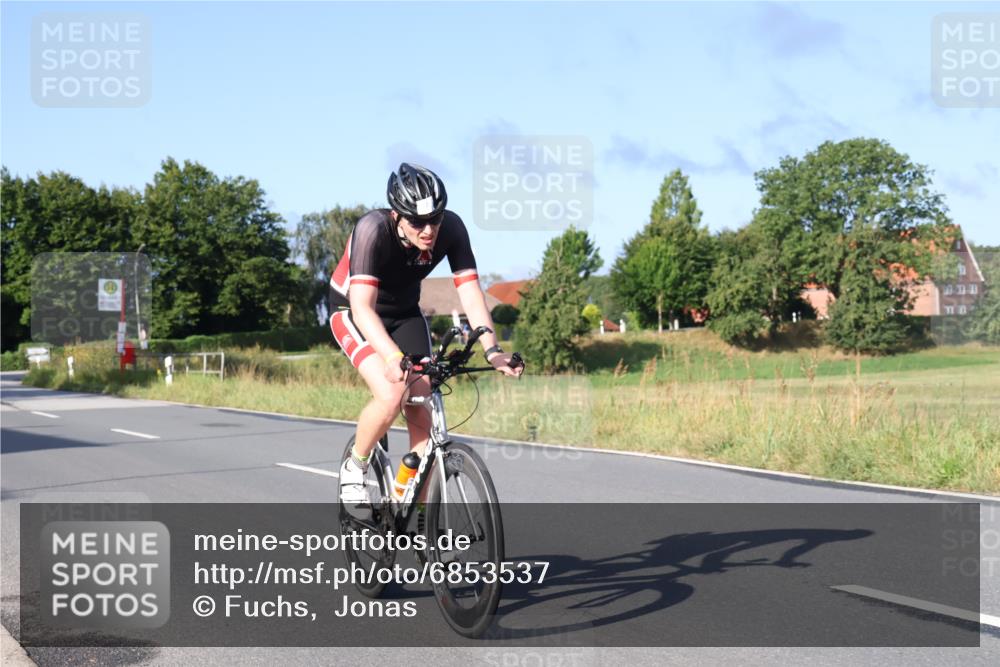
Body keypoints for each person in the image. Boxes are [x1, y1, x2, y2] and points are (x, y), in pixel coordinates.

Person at [328, 163, 524, 512]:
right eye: (417, 222)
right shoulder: (372, 229)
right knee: (391, 394)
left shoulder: (452, 228)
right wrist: (390, 357)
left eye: (435, 218)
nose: (429, 229)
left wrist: (492, 350)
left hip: (405, 313)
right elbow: (362, 307)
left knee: (424, 406)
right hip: (355, 312)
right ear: (396, 215)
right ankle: (354, 466)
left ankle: (411, 512)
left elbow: (470, 293)